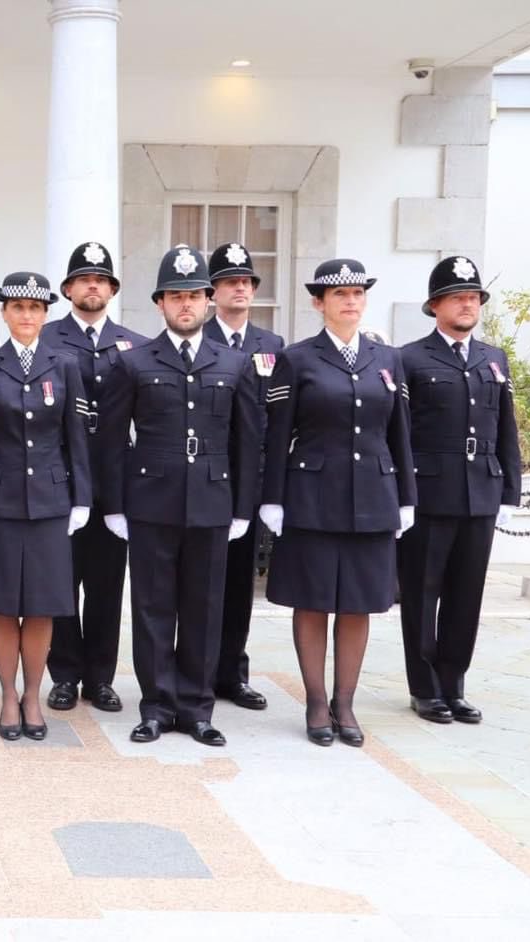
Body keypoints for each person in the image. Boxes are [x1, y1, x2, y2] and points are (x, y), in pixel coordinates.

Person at [99, 245, 260, 747]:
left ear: (209, 300)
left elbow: (248, 442)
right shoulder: (134, 362)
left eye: (193, 295)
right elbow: (109, 440)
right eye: (175, 296)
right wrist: (115, 505)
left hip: (212, 502)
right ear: (160, 303)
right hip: (152, 501)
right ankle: (156, 706)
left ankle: (196, 708)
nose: (185, 304)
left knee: (204, 607)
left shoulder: (233, 364)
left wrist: (243, 507)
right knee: (151, 607)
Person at [259, 258, 416, 747]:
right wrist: (273, 500)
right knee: (313, 602)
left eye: (357, 293)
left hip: (373, 495)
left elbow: (400, 433)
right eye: (339, 294)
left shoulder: (387, 359)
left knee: (357, 605)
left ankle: (345, 704)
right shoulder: (298, 358)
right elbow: (277, 433)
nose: (350, 301)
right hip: (312, 496)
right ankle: (315, 703)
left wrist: (406, 497)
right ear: (319, 303)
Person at [0, 272, 90, 740]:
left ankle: (34, 694)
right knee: (2, 605)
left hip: (52, 503)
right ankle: (7, 696)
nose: (27, 316)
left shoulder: (64, 364)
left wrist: (82, 499)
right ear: (5, 313)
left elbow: (75, 436)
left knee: (41, 606)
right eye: (18, 308)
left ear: (45, 313)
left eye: (35, 308)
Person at [397, 256, 520, 725]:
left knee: (467, 594)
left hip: (481, 492)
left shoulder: (494, 358)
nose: (468, 304)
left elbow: (505, 427)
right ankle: (424, 688)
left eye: (474, 297)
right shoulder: (409, 358)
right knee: (422, 593)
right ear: (435, 306)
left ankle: (454, 684)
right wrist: (403, 494)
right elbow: (401, 432)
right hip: (431, 491)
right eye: (458, 297)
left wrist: (510, 491)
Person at [41, 241, 146, 714]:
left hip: (113, 481)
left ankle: (100, 677)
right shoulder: (45, 340)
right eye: (84, 279)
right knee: (61, 581)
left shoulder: (136, 345)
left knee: (107, 585)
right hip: (59, 477)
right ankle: (63, 674)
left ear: (112, 290)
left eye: (100, 279)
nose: (92, 286)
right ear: (67, 289)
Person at [202, 242, 284, 711]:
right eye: (230, 281)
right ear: (212, 292)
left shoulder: (270, 346)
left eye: (246, 282)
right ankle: (196, 667)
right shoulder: (198, 336)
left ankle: (232, 672)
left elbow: (279, 415)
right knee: (201, 582)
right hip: (209, 475)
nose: (240, 288)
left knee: (240, 583)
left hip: (250, 479)